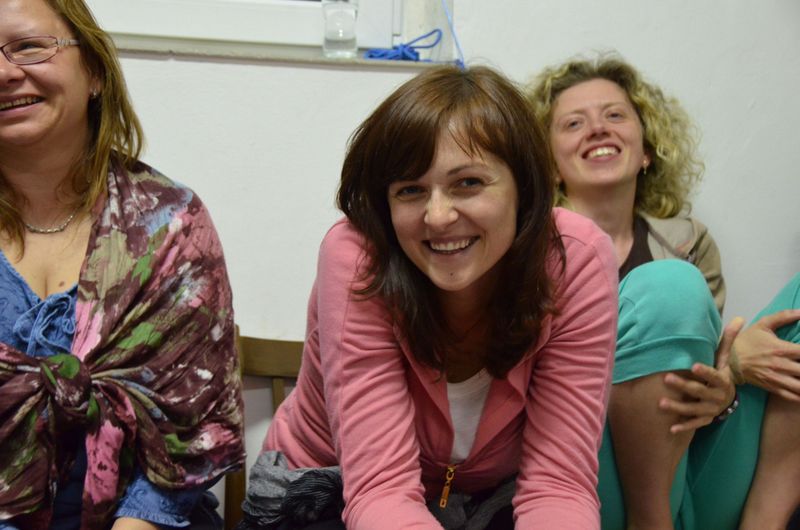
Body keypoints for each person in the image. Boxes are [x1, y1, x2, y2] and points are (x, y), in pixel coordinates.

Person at [244, 65, 619, 530]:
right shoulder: (358, 257)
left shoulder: (575, 260)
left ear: (524, 187)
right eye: (411, 190)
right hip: (325, 488)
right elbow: (380, 488)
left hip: (489, 501)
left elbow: (558, 486)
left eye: (469, 183)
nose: (438, 216)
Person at [526, 53, 800, 529]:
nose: (597, 128)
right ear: (548, 165)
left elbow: (693, 375)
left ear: (647, 150)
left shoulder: (689, 242)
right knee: (668, 285)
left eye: (615, 115)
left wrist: (729, 376)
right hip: (589, 475)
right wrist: (733, 365)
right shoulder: (525, 251)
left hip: (693, 461)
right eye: (573, 123)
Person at [0, 0, 244, 528]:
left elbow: (191, 434)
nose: (4, 72)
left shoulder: (170, 225)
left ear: (93, 71)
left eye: (29, 47)